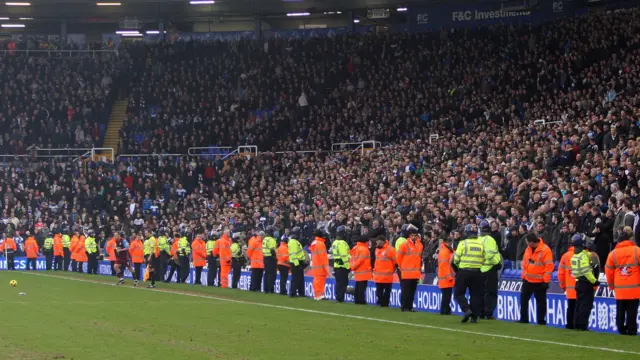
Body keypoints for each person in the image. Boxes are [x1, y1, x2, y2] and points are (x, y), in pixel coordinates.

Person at [605, 226, 640, 336]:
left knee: (620, 310)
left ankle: (621, 329)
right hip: (634, 287)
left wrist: (611, 286)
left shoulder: (613, 253)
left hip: (619, 288)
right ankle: (632, 329)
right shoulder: (637, 250)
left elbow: (608, 271)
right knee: (632, 311)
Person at [519, 233, 553, 325]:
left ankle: (541, 321)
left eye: (527, 242)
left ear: (532, 242)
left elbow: (549, 267)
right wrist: (523, 276)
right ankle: (523, 319)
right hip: (528, 280)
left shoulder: (545, 250)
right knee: (523, 300)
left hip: (540, 282)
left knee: (541, 302)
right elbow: (525, 264)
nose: (526, 244)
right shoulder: (528, 249)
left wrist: (546, 281)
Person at [452, 224, 485, 323]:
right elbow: (484, 259)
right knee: (475, 295)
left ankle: (466, 310)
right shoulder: (481, 244)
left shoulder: (463, 243)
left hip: (464, 271)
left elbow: (456, 259)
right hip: (477, 272)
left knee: (458, 293)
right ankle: (474, 318)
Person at [571, 233, 599, 331]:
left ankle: (577, 324)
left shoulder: (575, 256)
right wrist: (594, 281)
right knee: (585, 305)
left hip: (578, 282)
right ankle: (582, 325)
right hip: (585, 283)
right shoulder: (583, 256)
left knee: (578, 305)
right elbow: (587, 271)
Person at [478, 220, 502, 319]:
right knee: (491, 292)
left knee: (481, 292)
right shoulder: (490, 239)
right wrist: (497, 264)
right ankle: (488, 313)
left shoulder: (478, 239)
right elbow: (490, 254)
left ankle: (481, 312)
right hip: (490, 268)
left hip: (479, 269)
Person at [397, 224, 423, 312]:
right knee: (406, 291)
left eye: (415, 235)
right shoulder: (404, 245)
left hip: (415, 273)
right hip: (407, 273)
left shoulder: (420, 245)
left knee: (412, 291)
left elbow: (419, 258)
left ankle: (410, 306)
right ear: (409, 236)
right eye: (412, 235)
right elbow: (398, 258)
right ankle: (404, 307)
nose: (414, 237)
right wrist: (402, 267)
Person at [558, 234, 580, 329]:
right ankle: (578, 325)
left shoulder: (565, 256)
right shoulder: (584, 255)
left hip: (570, 289)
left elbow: (561, 274)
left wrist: (563, 287)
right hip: (581, 288)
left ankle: (569, 324)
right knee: (579, 308)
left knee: (571, 307)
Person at [373, 235, 396, 307]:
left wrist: (392, 269)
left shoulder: (391, 249)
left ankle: (385, 303)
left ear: (382, 241)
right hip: (378, 275)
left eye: (377, 240)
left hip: (387, 275)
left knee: (387, 291)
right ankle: (380, 302)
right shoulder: (376, 249)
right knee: (379, 291)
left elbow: (395, 261)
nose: (376, 242)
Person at [350, 233, 372, 305]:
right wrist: (353, 267)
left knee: (358, 286)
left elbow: (352, 258)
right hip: (363, 271)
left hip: (358, 271)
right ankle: (361, 300)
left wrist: (352, 267)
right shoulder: (364, 249)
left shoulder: (355, 247)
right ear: (365, 241)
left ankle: (357, 300)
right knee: (362, 287)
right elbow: (360, 260)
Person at [310, 230, 331, 300]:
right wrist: (327, 269)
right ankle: (319, 296)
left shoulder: (314, 243)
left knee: (317, 281)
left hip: (315, 265)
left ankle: (317, 295)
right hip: (320, 266)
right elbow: (323, 258)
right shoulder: (321, 244)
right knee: (320, 281)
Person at [331, 226, 350, 303]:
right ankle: (340, 298)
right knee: (343, 283)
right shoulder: (342, 243)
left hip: (337, 265)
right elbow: (344, 256)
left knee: (338, 283)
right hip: (343, 266)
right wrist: (348, 266)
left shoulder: (335, 242)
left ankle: (338, 297)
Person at [437, 236, 455, 315]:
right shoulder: (445, 252)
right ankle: (444, 310)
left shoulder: (447, 250)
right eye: (450, 242)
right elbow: (444, 266)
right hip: (446, 277)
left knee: (446, 295)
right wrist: (449, 277)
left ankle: (446, 310)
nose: (451, 244)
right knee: (446, 295)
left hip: (446, 277)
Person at [287, 227, 306, 298]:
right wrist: (297, 264)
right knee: (295, 278)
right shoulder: (293, 242)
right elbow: (294, 254)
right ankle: (292, 293)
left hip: (299, 262)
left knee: (300, 278)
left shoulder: (295, 241)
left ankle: (301, 293)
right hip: (296, 263)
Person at [262, 227, 278, 294]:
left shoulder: (264, 239)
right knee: (272, 275)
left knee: (266, 274)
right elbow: (272, 250)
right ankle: (271, 289)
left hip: (265, 257)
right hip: (271, 258)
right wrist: (275, 258)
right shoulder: (271, 240)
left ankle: (266, 289)